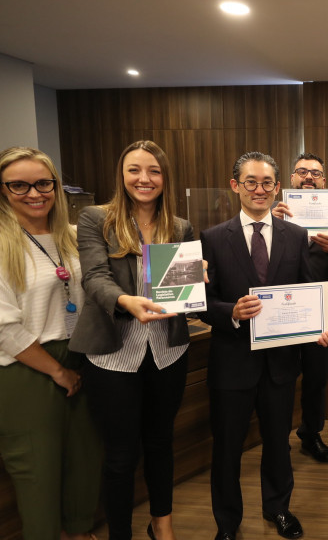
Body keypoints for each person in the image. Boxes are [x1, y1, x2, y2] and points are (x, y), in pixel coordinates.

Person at [200, 151, 328, 540]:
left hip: (279, 363)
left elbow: (309, 290)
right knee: (226, 449)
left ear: (277, 186)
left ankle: (278, 509)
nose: (259, 190)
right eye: (250, 182)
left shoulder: (296, 235)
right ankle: (227, 524)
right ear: (235, 186)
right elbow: (202, 304)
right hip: (231, 363)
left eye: (266, 183)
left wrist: (320, 324)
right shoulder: (211, 238)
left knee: (277, 443)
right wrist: (232, 311)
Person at [70, 140, 192, 540]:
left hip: (167, 351)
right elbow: (94, 279)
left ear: (165, 177)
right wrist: (126, 301)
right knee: (121, 456)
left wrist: (197, 278)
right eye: (135, 170)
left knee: (160, 444)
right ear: (121, 176)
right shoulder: (95, 219)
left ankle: (163, 526)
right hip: (112, 355)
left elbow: (181, 292)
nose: (145, 179)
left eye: (154, 171)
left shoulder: (180, 226)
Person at [0, 147, 101, 540]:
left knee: (84, 457)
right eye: (19, 185)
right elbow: (4, 328)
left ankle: (79, 531)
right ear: (4, 190)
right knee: (37, 469)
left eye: (44, 183)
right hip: (26, 367)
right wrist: (58, 371)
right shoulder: (4, 243)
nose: (34, 193)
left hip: (81, 354)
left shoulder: (73, 236)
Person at [273, 152, 328, 463]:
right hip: (283, 311)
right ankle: (279, 438)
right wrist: (270, 223)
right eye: (302, 172)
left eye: (315, 173)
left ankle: (310, 434)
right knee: (283, 379)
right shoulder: (275, 213)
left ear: (324, 182)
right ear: (291, 179)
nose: (308, 177)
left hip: (321, 312)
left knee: (316, 378)